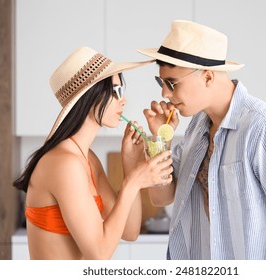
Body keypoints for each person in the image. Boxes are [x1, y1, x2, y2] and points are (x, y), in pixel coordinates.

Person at [138, 20, 266, 260]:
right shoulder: (197, 127)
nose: (164, 93)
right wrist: (159, 140)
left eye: (172, 83)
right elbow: (161, 197)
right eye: (161, 83)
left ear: (207, 77)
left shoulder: (262, 127)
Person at [13, 46, 173, 260]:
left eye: (121, 91)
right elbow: (99, 254)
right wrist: (133, 182)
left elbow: (130, 231)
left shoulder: (87, 159)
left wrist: (130, 165)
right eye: (115, 92)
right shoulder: (64, 164)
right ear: (90, 97)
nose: (123, 100)